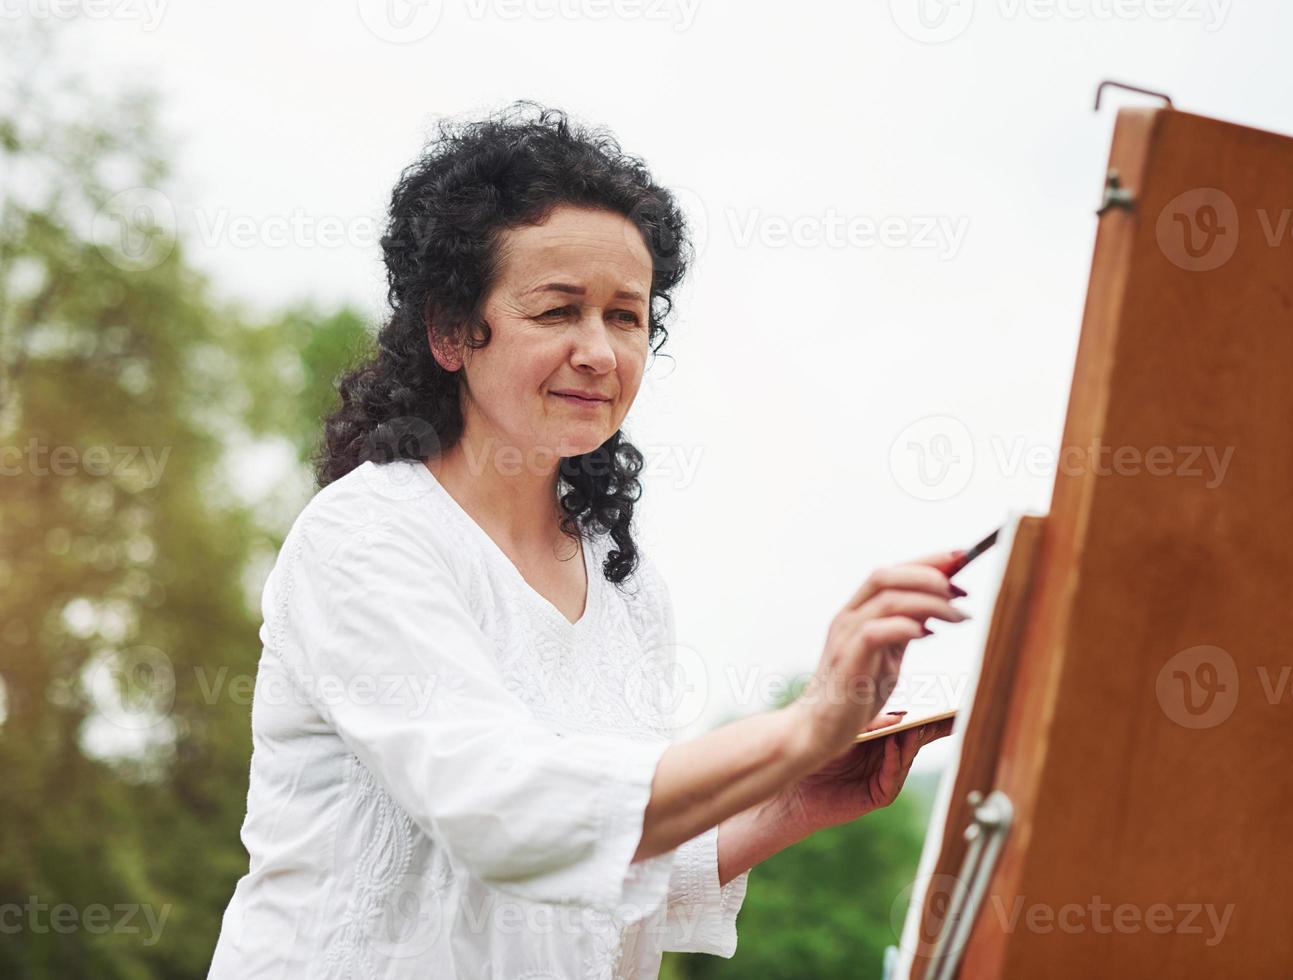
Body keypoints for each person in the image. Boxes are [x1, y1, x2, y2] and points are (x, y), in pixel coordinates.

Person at [207, 102, 964, 980]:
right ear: (451, 331)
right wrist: (802, 727)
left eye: (626, 316)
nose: (600, 352)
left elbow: (591, 874)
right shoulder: (366, 539)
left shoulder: (624, 583)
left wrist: (787, 801)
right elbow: (508, 817)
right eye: (558, 310)